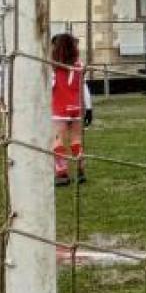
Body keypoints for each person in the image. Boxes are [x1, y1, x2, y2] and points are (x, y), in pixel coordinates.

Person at [51, 32, 90, 186]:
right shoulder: (80, 65)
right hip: (76, 107)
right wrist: (87, 107)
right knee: (76, 140)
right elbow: (83, 87)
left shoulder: (54, 66)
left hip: (59, 107)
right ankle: (81, 171)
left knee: (58, 139)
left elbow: (51, 85)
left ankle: (62, 174)